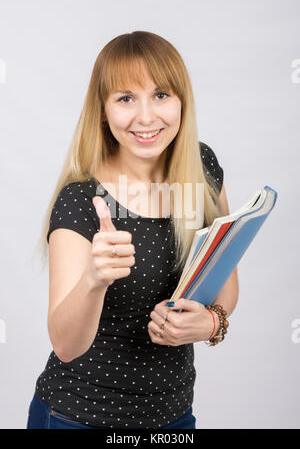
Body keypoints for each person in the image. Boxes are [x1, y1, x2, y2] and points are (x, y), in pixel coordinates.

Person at [27, 31, 239, 430]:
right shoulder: (80, 201)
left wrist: (211, 323)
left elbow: (225, 282)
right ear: (103, 111)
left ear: (182, 101)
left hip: (173, 418)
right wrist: (94, 279)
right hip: (78, 418)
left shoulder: (203, 166)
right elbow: (66, 346)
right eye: (126, 98)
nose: (146, 117)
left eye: (161, 95)